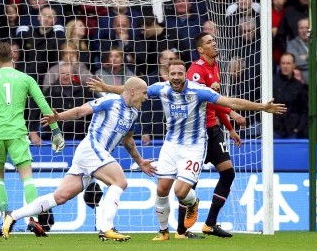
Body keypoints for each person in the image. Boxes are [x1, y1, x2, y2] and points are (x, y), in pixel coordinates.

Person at [87, 60, 286, 241]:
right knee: (161, 189)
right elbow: (131, 89)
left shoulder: (198, 91)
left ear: (185, 75)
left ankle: (193, 202)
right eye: (172, 74)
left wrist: (262, 107)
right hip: (171, 145)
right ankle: (164, 232)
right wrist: (106, 88)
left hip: (194, 146)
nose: (175, 77)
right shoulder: (160, 89)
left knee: (180, 191)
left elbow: (230, 102)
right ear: (167, 74)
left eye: (179, 74)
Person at [2, 77, 157, 241]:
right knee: (120, 182)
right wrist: (58, 117)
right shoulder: (110, 101)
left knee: (60, 197)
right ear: (132, 91)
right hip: (92, 147)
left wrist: (140, 161)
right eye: (145, 93)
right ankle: (106, 228)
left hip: (93, 155)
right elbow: (81, 111)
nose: (146, 97)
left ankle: (12, 215)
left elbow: (128, 140)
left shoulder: (133, 113)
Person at [0, 42, 65, 237]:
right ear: (14, 57)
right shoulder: (25, 78)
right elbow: (43, 104)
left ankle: (5, 217)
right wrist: (56, 131)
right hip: (18, 132)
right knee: (27, 178)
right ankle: (32, 219)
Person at [179, 32, 247, 239]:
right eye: (209, 42)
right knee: (189, 181)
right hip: (197, 132)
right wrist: (232, 112)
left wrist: (230, 128)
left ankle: (209, 224)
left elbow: (215, 101)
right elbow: (203, 100)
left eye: (214, 41)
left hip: (213, 130)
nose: (214, 44)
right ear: (200, 49)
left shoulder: (214, 65)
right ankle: (181, 230)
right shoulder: (196, 71)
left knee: (228, 173)